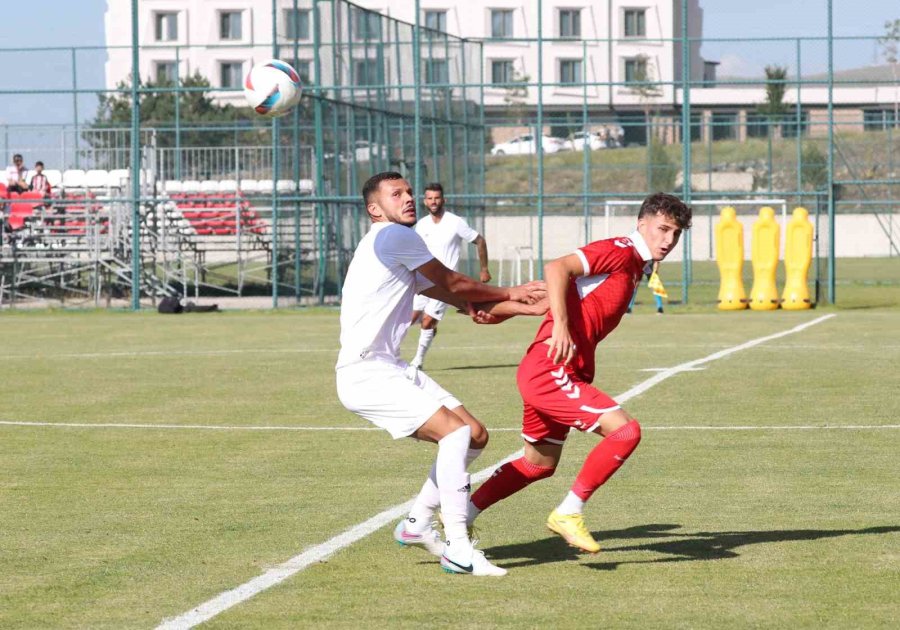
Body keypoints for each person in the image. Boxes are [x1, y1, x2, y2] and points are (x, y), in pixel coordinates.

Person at [335, 171, 546, 577]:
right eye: (396, 194)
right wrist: (510, 292)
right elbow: (453, 281)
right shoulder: (392, 236)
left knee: (474, 435)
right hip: (365, 372)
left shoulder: (394, 244)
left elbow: (454, 297)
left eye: (409, 191)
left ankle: (416, 524)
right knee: (455, 434)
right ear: (375, 209)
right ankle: (458, 548)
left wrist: (522, 306)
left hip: (389, 367)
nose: (408, 198)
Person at [467, 192, 692, 553]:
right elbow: (558, 268)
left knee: (538, 464)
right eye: (662, 229)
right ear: (642, 224)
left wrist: (503, 309)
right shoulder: (621, 250)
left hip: (559, 371)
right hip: (551, 369)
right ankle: (569, 512)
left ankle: (459, 515)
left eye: (675, 234)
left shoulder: (636, 265)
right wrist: (559, 327)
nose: (668, 240)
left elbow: (560, 296)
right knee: (626, 431)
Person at [408, 182, 491, 371]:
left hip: (445, 282)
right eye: (430, 198)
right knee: (410, 319)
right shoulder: (421, 224)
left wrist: (484, 269)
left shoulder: (455, 222)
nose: (433, 201)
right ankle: (430, 329)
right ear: (425, 201)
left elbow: (479, 241)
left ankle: (417, 362)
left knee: (427, 321)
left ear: (443, 200)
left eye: (437, 198)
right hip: (423, 281)